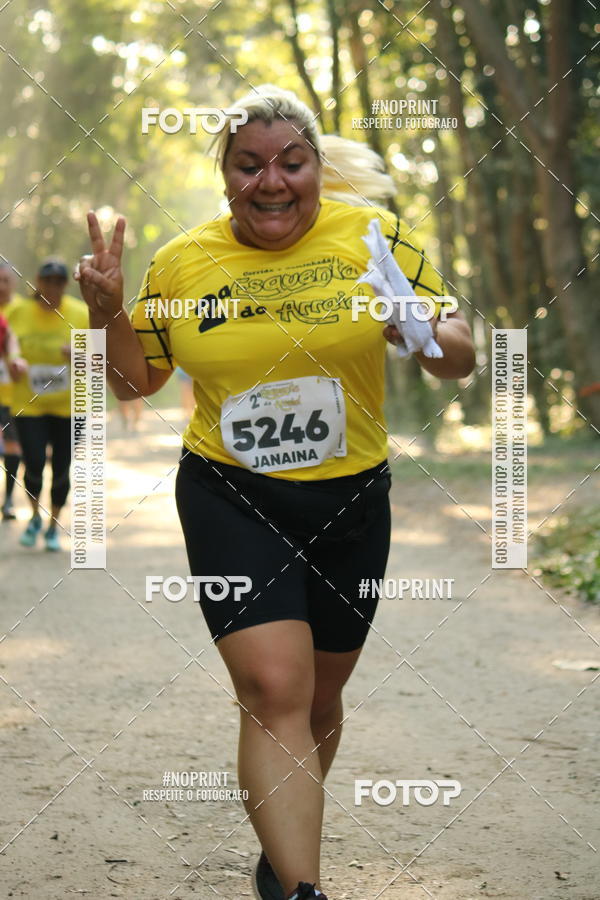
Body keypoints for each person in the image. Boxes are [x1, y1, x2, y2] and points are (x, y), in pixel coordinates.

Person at [76, 85, 475, 900]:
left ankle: (280, 848)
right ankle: (302, 890)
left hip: (352, 497)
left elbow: (460, 352)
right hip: (232, 494)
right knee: (274, 688)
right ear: (225, 175)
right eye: (249, 164)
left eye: (291, 162)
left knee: (320, 697)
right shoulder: (184, 262)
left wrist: (425, 333)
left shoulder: (376, 239)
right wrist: (107, 314)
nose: (272, 181)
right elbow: (134, 381)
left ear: (316, 168)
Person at [7, 258, 88, 551]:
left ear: (65, 285)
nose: (52, 287)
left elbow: (99, 361)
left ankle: (53, 526)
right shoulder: (18, 312)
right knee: (35, 465)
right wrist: (12, 362)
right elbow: (6, 347)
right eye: (47, 281)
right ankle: (35, 516)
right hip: (28, 405)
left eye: (58, 282)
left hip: (69, 407)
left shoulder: (80, 314)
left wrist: (77, 355)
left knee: (63, 469)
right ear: (37, 283)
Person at [0, 261, 22, 520]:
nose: (2, 286)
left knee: (14, 448)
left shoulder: (21, 309)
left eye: (6, 281)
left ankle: (8, 500)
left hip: (15, 395)